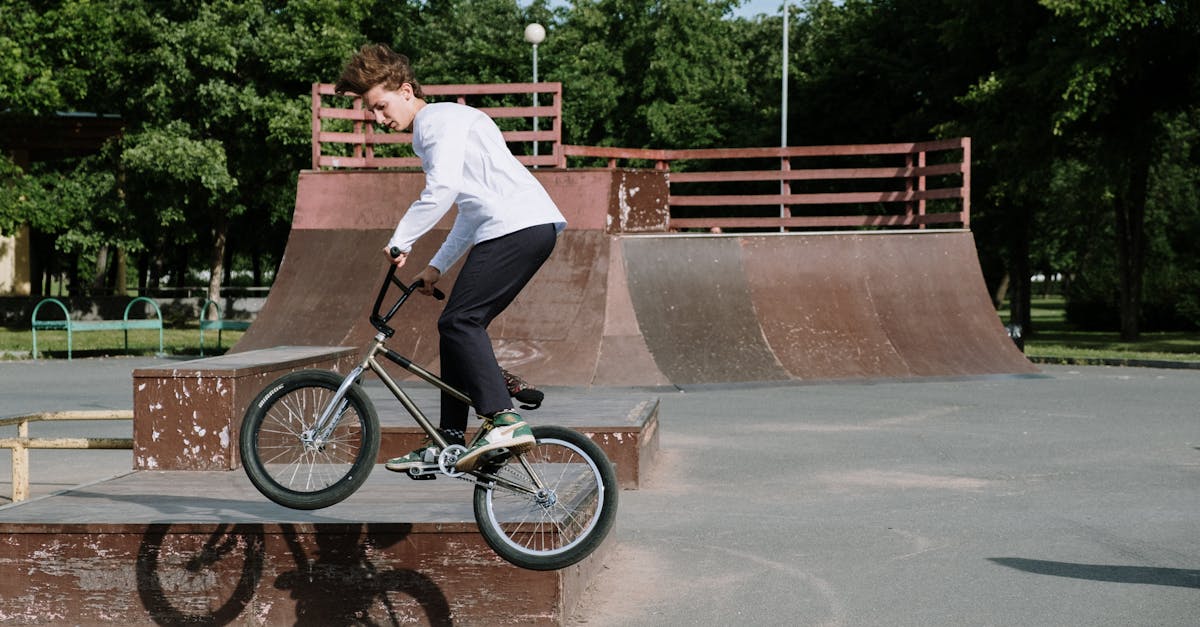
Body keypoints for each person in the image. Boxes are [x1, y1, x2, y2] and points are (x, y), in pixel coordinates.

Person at [334, 44, 565, 473]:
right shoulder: (443, 126)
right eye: (372, 113)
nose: (380, 120)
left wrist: (401, 239)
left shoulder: (436, 122)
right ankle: (450, 438)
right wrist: (437, 266)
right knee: (454, 328)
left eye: (381, 107)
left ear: (406, 90)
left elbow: (439, 192)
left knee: (460, 322)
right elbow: (466, 208)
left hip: (516, 226)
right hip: (520, 227)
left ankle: (502, 416)